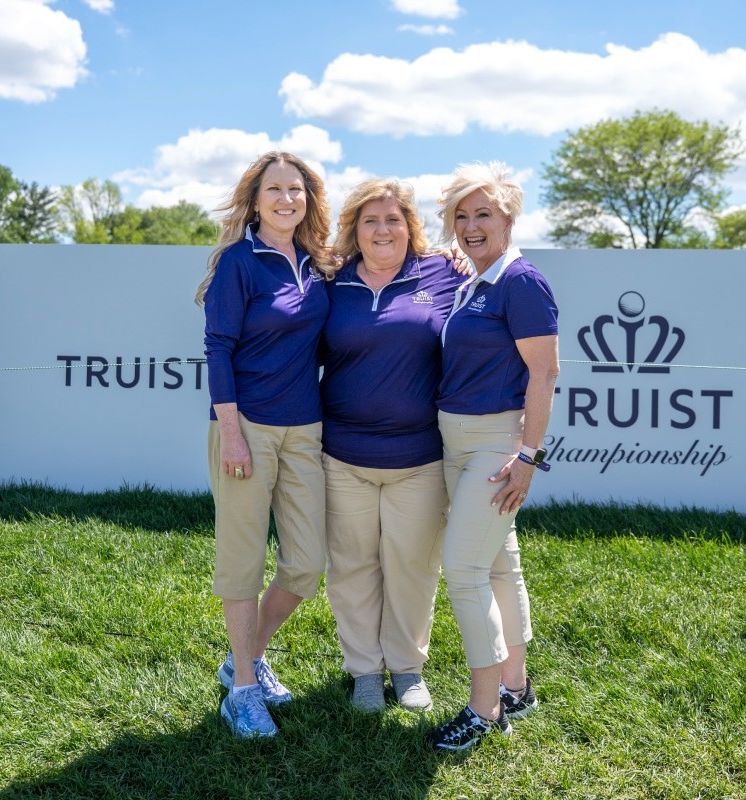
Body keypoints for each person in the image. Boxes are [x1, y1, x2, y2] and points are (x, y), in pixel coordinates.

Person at [198, 151, 336, 738]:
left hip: (305, 429)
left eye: (296, 190)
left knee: (306, 565)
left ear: (309, 199)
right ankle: (245, 692)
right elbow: (218, 349)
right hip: (246, 426)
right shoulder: (239, 262)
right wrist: (231, 433)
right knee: (243, 560)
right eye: (275, 189)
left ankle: (242, 658)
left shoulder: (317, 262)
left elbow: (396, 257)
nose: (286, 199)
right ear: (254, 200)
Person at [426, 162, 560, 751]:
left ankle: (484, 711)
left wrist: (528, 455)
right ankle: (516, 687)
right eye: (462, 215)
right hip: (454, 441)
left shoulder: (521, 281)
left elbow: (545, 372)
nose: (471, 225)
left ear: (510, 216)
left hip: (494, 442)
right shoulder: (472, 280)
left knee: (464, 570)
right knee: (501, 563)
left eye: (484, 213)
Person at [319, 178, 466, 713]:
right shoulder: (330, 279)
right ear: (354, 230)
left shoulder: (445, 272)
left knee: (413, 566)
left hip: (421, 458)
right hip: (343, 455)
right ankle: (362, 669)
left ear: (411, 226)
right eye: (370, 221)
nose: (383, 229)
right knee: (352, 564)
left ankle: (405, 667)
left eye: (394, 219)